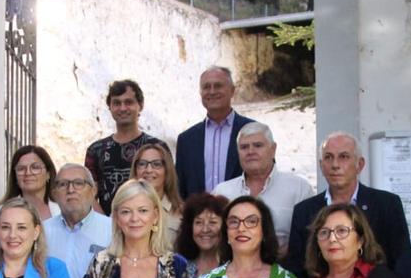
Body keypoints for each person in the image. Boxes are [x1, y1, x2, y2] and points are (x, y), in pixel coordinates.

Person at [285, 132, 411, 278]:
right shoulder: (304, 211)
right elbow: (297, 269)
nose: (335, 165)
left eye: (343, 157)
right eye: (328, 157)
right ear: (321, 165)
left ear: (360, 164)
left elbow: (401, 262)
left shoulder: (387, 204)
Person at [212, 122, 313, 252]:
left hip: (284, 268)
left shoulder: (299, 189)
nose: (250, 152)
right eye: (244, 147)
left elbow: (309, 240)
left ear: (273, 149)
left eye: (258, 145)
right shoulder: (222, 191)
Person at [84, 79, 168, 214]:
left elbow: (169, 190)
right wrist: (106, 226)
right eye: (116, 103)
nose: (122, 108)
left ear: (140, 105)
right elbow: (88, 195)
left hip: (150, 226)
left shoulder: (157, 148)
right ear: (110, 107)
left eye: (128, 102)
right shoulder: (96, 150)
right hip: (108, 229)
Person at [175, 66, 254, 198]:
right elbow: (179, 189)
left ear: (232, 91)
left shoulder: (252, 131)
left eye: (218, 86)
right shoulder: (186, 140)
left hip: (241, 215)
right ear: (200, 93)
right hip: (199, 217)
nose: (212, 91)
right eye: (206, 87)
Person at [130, 141, 184, 244]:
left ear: (167, 170)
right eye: (142, 164)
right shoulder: (121, 209)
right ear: (135, 170)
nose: (149, 170)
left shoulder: (181, 213)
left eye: (156, 164)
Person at [0, 145, 60, 225]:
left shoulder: (63, 210)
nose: (28, 173)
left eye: (35, 167)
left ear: (48, 174)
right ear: (15, 176)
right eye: (21, 169)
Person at [175, 192, 229, 278]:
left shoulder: (233, 267)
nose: (205, 230)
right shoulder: (179, 266)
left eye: (212, 222)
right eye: (198, 222)